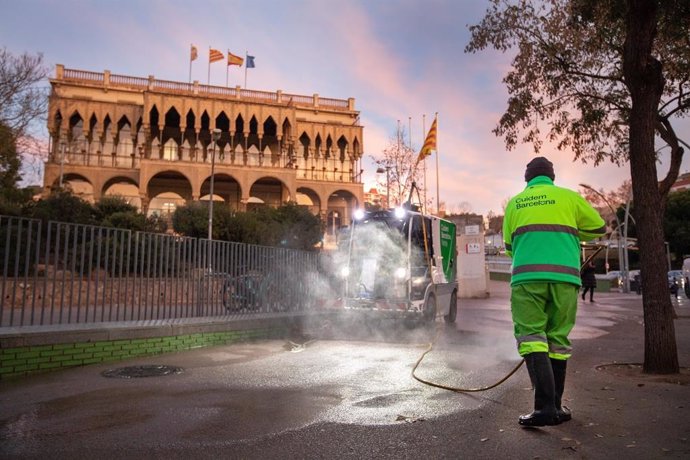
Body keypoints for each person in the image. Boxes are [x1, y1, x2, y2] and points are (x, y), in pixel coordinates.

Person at [503, 157, 605, 427]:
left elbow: (509, 247)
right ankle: (556, 408)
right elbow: (598, 228)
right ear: (551, 177)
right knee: (557, 341)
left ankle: (544, 409)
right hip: (565, 279)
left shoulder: (515, 203)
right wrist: (570, 229)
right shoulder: (569, 198)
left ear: (527, 179)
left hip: (527, 279)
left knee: (532, 338)